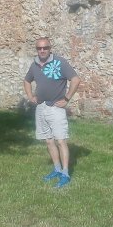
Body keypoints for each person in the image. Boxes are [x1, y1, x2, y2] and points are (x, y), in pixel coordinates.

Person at [24, 38, 81, 188]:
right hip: (41, 107)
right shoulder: (35, 65)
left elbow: (75, 79)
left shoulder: (60, 62)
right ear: (36, 49)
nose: (42, 50)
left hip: (56, 108)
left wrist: (67, 98)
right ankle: (57, 169)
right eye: (39, 48)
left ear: (50, 48)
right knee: (49, 141)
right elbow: (27, 80)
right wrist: (30, 96)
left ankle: (65, 174)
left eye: (45, 48)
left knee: (60, 141)